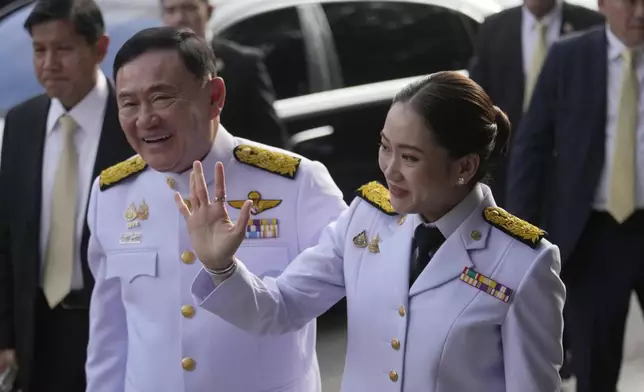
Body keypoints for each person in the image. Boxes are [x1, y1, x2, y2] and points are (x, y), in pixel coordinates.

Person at [181, 71, 567, 391]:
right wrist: (222, 267)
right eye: (386, 147)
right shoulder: (365, 220)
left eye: (410, 157)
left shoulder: (522, 263)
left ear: (464, 167)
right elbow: (280, 308)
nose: (390, 168)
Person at [84, 26, 347, 392]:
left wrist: (227, 273)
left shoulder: (296, 183)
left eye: (162, 98)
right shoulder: (111, 194)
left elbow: (346, 294)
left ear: (214, 96)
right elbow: (109, 335)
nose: (145, 118)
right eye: (129, 103)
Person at [505, 0, 644, 390]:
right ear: (603, 4)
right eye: (628, 1)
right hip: (595, 234)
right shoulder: (571, 58)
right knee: (595, 362)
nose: (640, 12)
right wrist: (519, 233)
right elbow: (532, 147)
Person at [0, 0, 135, 390]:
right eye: (39, 50)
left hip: (112, 325)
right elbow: (7, 236)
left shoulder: (132, 125)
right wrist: (6, 335)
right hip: (38, 330)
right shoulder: (23, 123)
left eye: (63, 49)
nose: (49, 64)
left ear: (100, 48)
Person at [468, 0, 603, 208]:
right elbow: (478, 96)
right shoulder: (495, 27)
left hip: (572, 161)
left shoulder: (590, 23)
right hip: (509, 160)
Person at [160, 0, 290, 149]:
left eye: (189, 8)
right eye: (171, 10)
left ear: (208, 11)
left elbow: (271, 140)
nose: (179, 18)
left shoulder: (242, 64)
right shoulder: (153, 71)